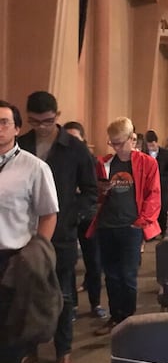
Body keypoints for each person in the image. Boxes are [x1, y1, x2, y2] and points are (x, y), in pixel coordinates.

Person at [19, 92, 97, 363]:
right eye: (35, 121)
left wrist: (72, 217)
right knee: (26, 294)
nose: (41, 127)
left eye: (48, 121)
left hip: (61, 235)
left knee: (62, 296)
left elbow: (90, 191)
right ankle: (29, 349)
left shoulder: (75, 148)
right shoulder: (21, 144)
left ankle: (63, 351)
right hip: (23, 234)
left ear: (58, 116)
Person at [0, 100, 60, 363]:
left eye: (4, 122)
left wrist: (36, 254)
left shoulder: (34, 167)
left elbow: (48, 214)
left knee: (9, 334)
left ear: (17, 129)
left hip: (13, 260)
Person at [87, 117, 161, 336]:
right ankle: (115, 316)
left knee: (128, 276)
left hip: (131, 227)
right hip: (107, 225)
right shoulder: (104, 163)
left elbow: (153, 194)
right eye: (112, 143)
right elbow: (95, 195)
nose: (116, 147)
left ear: (132, 139)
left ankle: (127, 319)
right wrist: (102, 191)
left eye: (120, 142)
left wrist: (141, 222)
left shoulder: (147, 163)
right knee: (111, 275)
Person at [62, 121, 107, 321]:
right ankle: (71, 306)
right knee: (68, 264)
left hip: (89, 216)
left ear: (83, 140)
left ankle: (96, 303)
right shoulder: (59, 161)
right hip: (66, 218)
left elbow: (97, 189)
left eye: (75, 138)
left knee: (94, 262)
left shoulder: (93, 161)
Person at [144, 130, 168, 237]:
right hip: (149, 185)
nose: (151, 147)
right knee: (150, 209)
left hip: (162, 185)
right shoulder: (144, 154)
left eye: (152, 145)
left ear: (156, 142)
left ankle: (163, 230)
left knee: (163, 208)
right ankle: (152, 232)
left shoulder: (165, 153)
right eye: (149, 145)